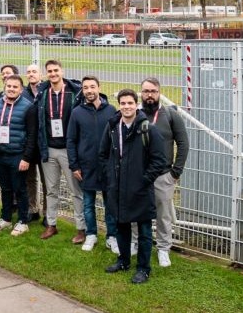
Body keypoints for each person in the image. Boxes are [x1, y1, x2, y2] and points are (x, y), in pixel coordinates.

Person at [101, 89, 168, 284]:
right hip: (118, 187)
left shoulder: (148, 128)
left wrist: (144, 180)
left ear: (136, 105)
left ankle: (143, 268)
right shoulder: (113, 126)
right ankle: (123, 260)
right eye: (123, 103)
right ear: (119, 105)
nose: (126, 107)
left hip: (140, 188)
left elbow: (159, 160)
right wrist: (110, 176)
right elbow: (103, 154)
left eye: (130, 103)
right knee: (121, 226)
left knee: (144, 231)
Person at [140, 77, 189, 268]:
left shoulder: (170, 115)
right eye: (146, 91)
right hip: (140, 176)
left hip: (163, 176)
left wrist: (175, 172)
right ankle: (136, 243)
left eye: (153, 91)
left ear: (159, 92)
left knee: (163, 216)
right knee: (139, 212)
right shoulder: (135, 114)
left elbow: (183, 143)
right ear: (141, 93)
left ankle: (163, 249)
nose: (149, 95)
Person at [67, 76, 117, 251]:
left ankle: (112, 236)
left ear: (99, 87)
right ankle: (91, 234)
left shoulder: (111, 111)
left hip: (107, 166)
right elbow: (71, 140)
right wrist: (74, 165)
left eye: (92, 87)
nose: (89, 91)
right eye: (85, 88)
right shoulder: (77, 112)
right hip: (86, 166)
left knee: (110, 204)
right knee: (88, 203)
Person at [37, 59, 80, 239]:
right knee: (51, 190)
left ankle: (81, 228)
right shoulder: (42, 93)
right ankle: (51, 224)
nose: (53, 74)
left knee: (76, 191)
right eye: (50, 71)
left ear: (62, 71)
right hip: (49, 150)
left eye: (56, 70)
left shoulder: (74, 93)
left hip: (68, 150)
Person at [0, 75, 36, 237]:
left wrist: (26, 158)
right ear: (4, 86)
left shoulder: (28, 107)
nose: (11, 89)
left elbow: (32, 135)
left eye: (15, 87)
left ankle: (23, 221)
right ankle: (6, 218)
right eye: (8, 86)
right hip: (0, 154)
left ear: (21, 89)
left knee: (20, 189)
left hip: (18, 155)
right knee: (5, 189)